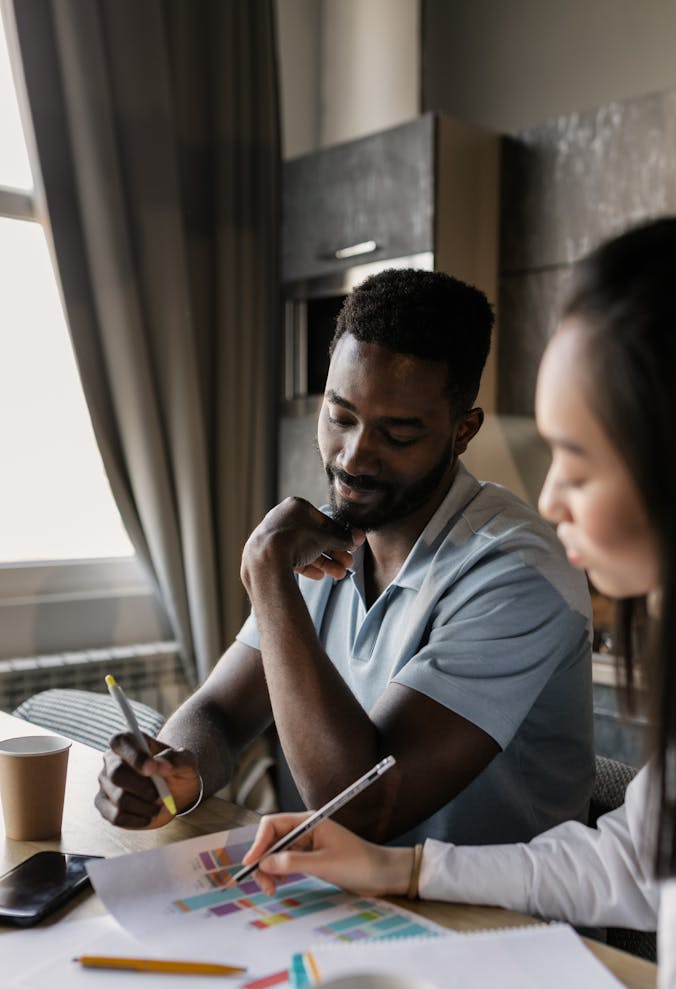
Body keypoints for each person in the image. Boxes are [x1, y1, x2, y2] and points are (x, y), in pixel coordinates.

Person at [239, 216, 676, 989]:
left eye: (580, 464)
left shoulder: (512, 567)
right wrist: (398, 871)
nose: (550, 498)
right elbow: (633, 860)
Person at [95, 267, 593, 847]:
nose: (354, 458)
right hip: (348, 902)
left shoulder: (515, 573)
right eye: (340, 416)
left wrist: (267, 571)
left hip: (497, 925)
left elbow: (360, 806)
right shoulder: (324, 539)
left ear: (463, 431)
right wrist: (176, 773)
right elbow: (219, 716)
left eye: (398, 434)